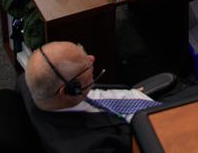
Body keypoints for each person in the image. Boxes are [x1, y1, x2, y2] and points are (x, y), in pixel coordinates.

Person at [18, 41, 158, 151]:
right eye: (85, 67)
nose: (91, 58)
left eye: (82, 49)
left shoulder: (32, 83)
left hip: (138, 101)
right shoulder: (91, 147)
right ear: (70, 90)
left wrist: (132, 97)